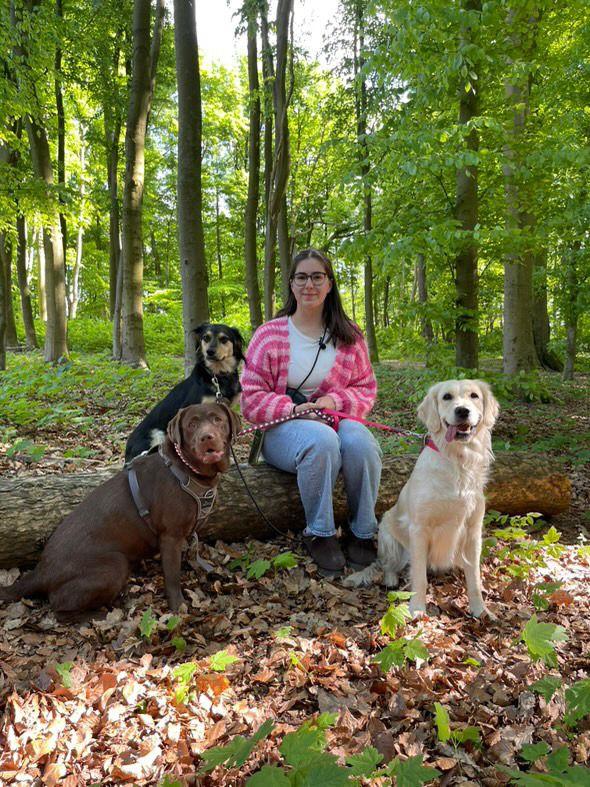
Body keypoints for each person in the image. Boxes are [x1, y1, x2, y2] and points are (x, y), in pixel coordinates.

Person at [241, 248, 382, 576]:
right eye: (301, 277)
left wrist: (334, 402)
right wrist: (292, 409)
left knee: (362, 444)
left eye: (317, 276)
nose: (309, 284)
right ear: (291, 285)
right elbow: (250, 398)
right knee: (321, 441)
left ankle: (362, 532)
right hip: (282, 430)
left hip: (335, 418)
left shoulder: (350, 336)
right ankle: (319, 532)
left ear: (330, 284)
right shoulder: (269, 335)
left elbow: (366, 390)